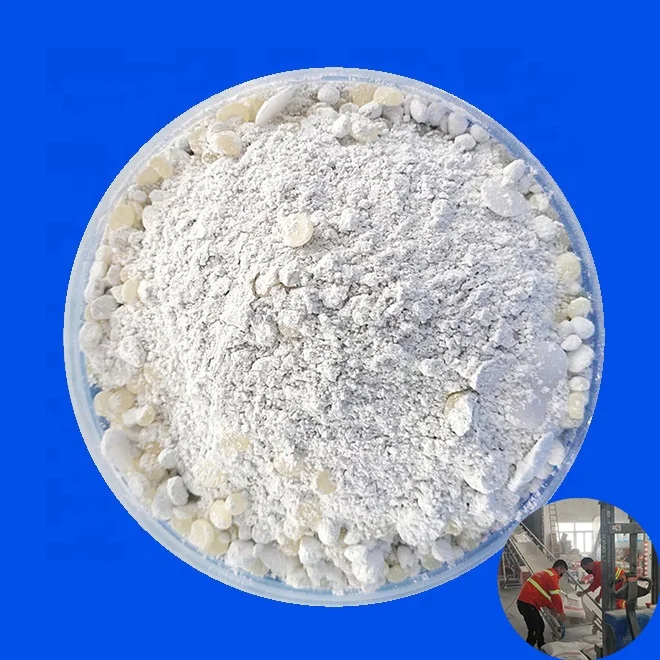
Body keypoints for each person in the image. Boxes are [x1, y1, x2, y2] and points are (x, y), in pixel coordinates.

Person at [517, 559, 568, 649]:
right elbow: (555, 596)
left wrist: (551, 608)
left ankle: (542, 645)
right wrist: (561, 612)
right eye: (563, 571)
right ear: (559, 568)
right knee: (535, 630)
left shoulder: (545, 573)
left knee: (541, 625)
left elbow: (544, 594)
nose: (562, 574)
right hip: (527, 603)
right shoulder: (552, 576)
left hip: (527, 603)